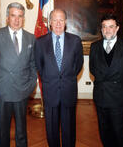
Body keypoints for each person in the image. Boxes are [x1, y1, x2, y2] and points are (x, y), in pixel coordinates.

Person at [0, 2, 37, 147]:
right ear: (7, 18)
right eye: (13, 16)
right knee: (3, 129)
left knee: (21, 129)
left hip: (22, 90)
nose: (17, 20)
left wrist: (31, 85)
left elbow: (33, 64)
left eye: (20, 16)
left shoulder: (31, 38)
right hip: (2, 90)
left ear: (23, 18)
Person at [35, 9, 84, 147]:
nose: (58, 23)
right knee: (51, 130)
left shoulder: (75, 41)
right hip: (50, 91)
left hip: (68, 90)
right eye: (55, 20)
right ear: (50, 22)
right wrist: (50, 78)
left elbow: (78, 64)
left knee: (69, 129)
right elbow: (39, 65)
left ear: (66, 22)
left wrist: (67, 77)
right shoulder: (40, 42)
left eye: (61, 20)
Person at [89, 14, 123, 147]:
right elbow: (92, 69)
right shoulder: (94, 46)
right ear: (101, 29)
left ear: (117, 28)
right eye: (104, 27)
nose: (107, 30)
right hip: (101, 96)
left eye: (111, 26)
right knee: (104, 131)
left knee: (119, 131)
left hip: (119, 97)